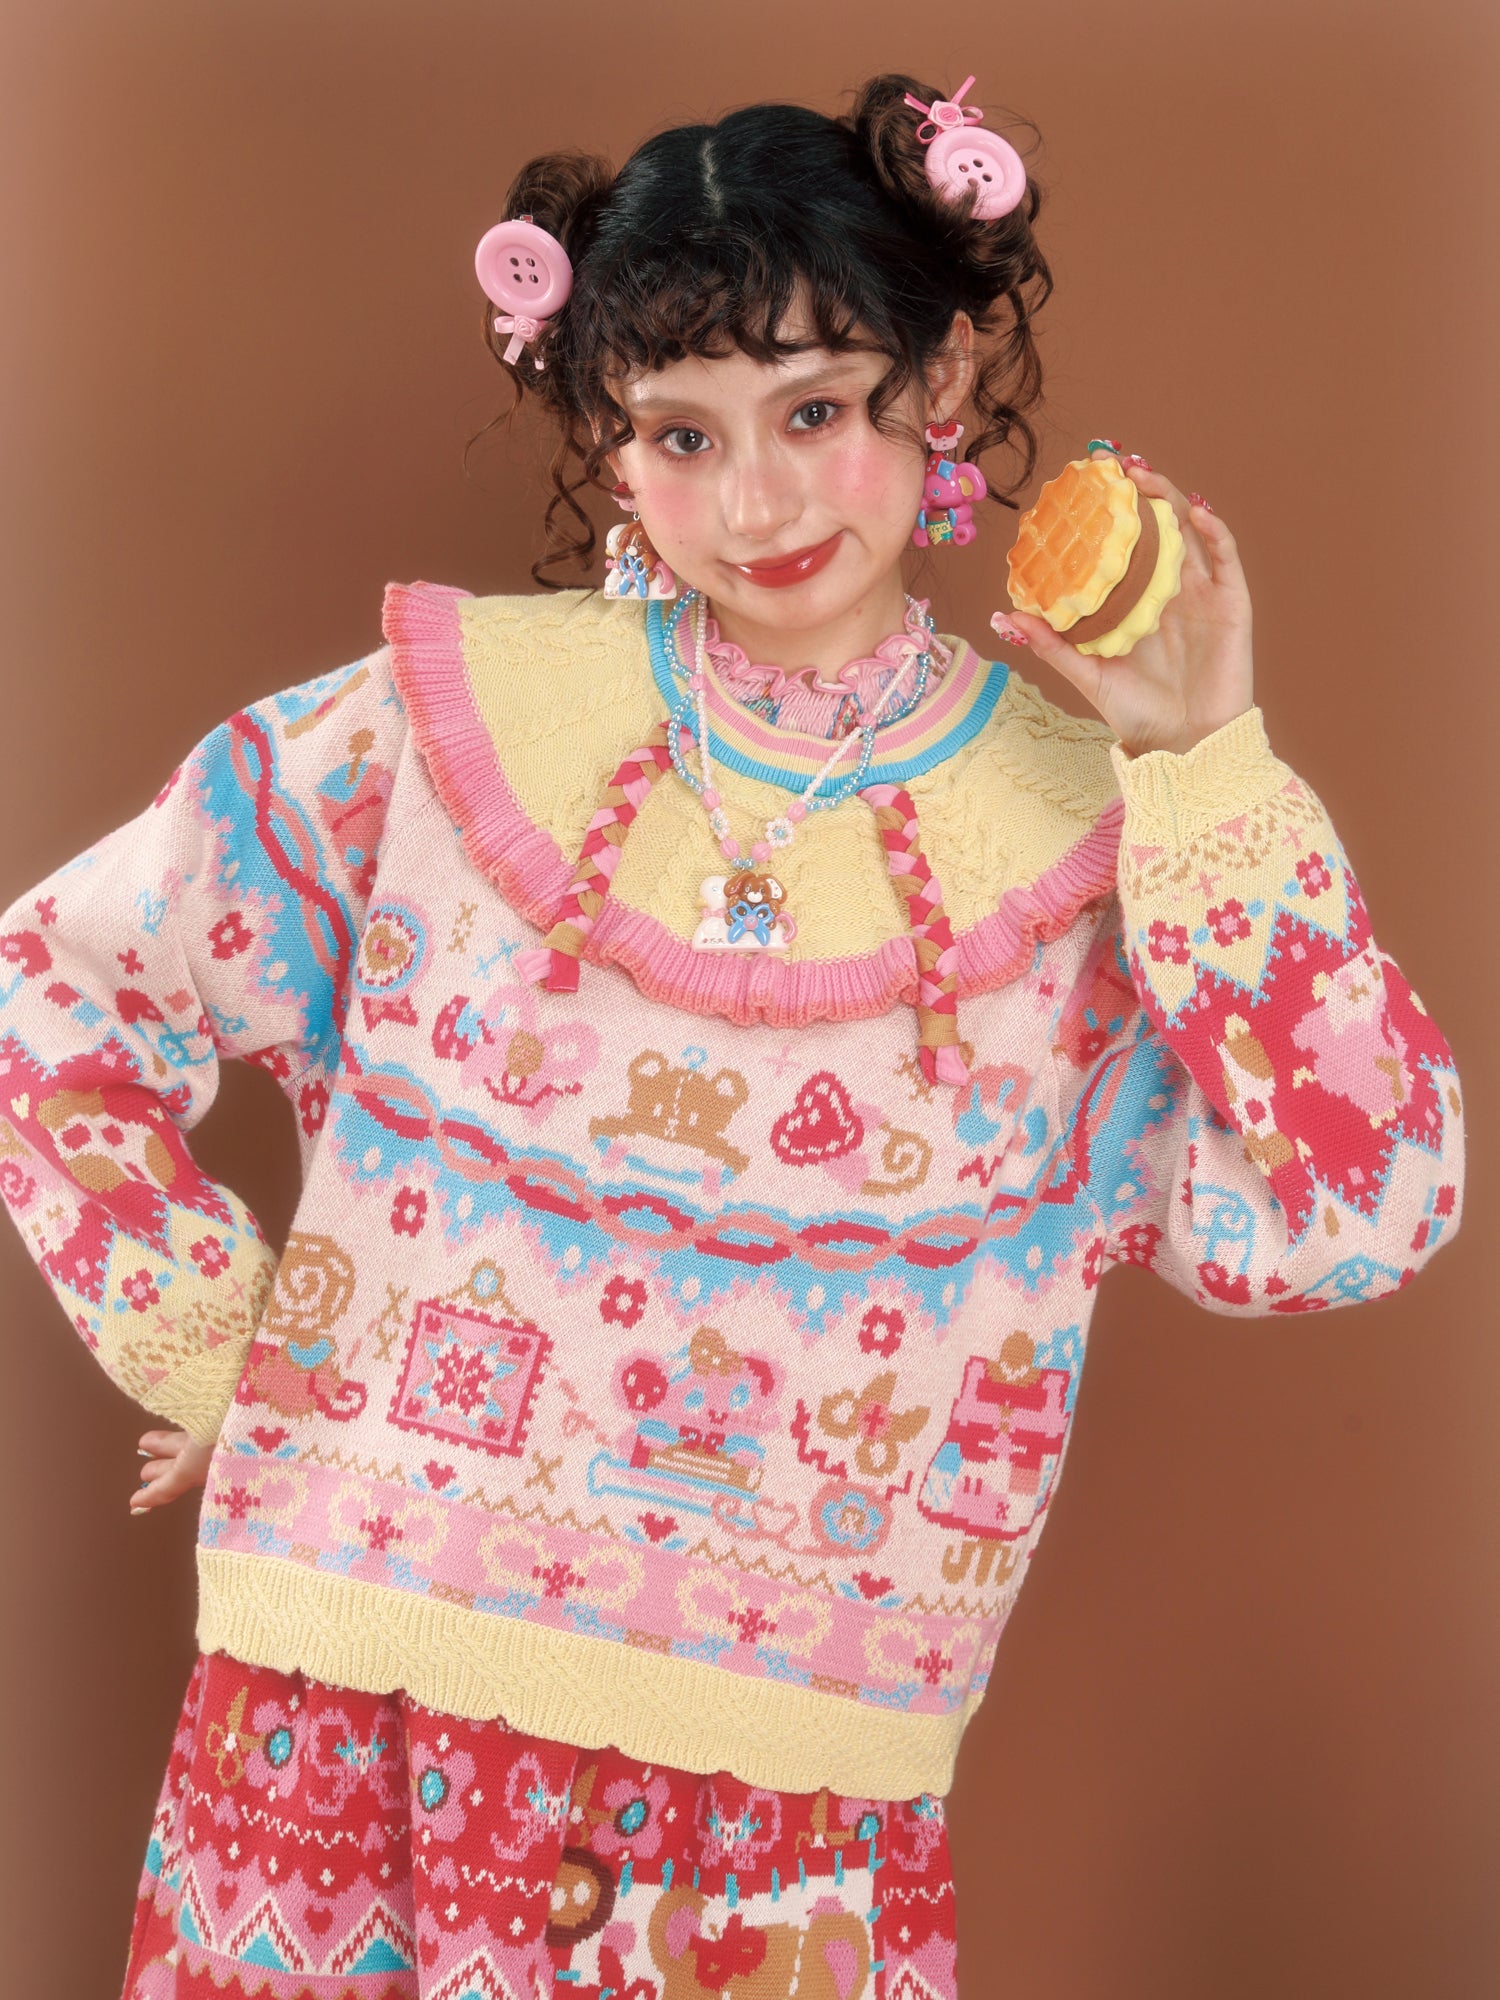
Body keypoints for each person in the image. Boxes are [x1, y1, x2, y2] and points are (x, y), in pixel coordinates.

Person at [0, 70, 1463, 2000]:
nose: (757, 503)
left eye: (818, 410)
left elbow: (1362, 1210)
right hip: (349, 1707)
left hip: (778, 1789)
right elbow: (54, 988)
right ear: (614, 445)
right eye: (681, 434)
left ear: (942, 380)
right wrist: (203, 1330)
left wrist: (1208, 772)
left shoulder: (1097, 843)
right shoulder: (444, 733)